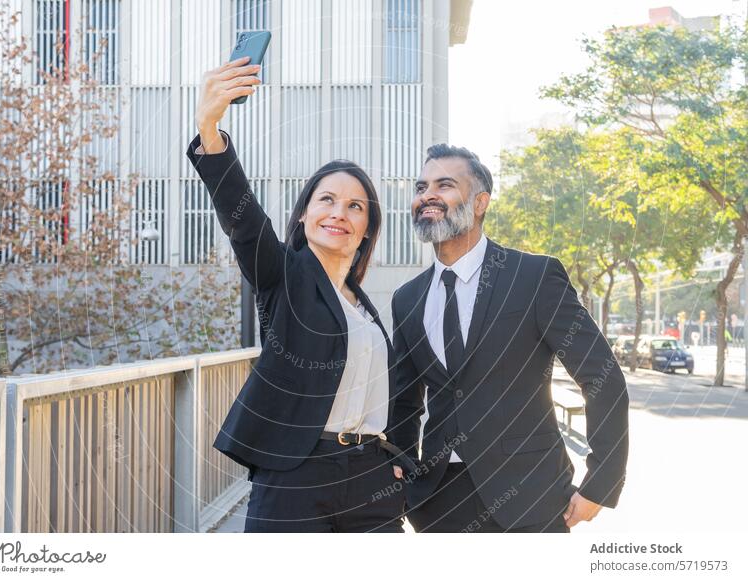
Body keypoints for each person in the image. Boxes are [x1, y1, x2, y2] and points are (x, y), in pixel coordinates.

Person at [186, 57, 410, 532]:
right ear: (305, 213)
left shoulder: (362, 306)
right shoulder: (284, 274)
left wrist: (396, 462)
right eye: (326, 199)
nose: (339, 212)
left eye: (355, 206)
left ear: (367, 229)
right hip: (298, 475)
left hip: (373, 477)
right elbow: (243, 222)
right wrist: (210, 127)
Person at [389, 143, 629, 532]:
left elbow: (603, 378)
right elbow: (404, 400)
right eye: (421, 187)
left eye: (444, 185)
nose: (427, 195)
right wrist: (399, 469)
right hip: (436, 503)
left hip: (529, 498)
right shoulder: (407, 298)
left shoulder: (534, 277)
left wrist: (600, 484)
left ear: (480, 202)